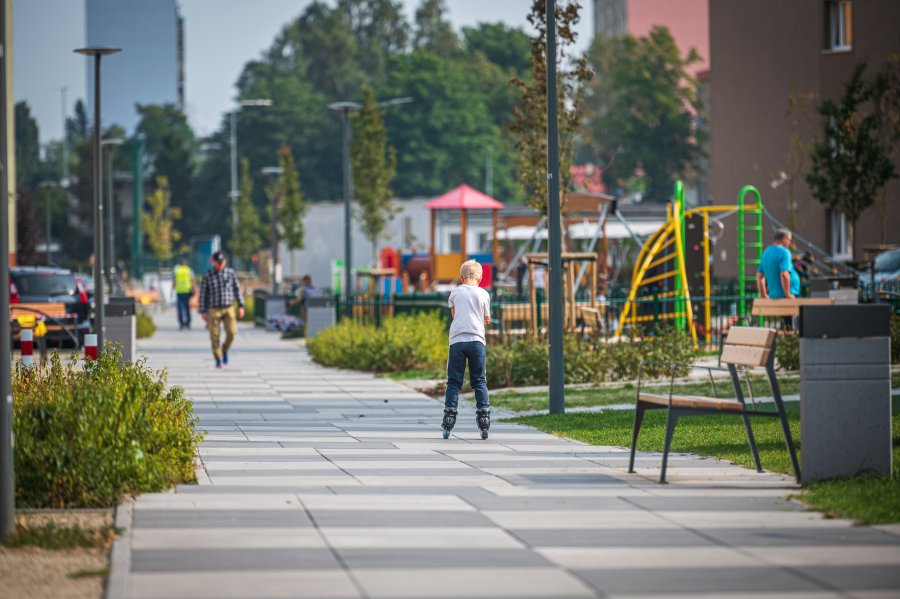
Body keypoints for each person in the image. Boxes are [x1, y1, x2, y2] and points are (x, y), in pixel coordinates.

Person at [441, 260, 492, 440]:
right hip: (477, 341)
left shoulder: (455, 293)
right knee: (479, 380)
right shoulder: (484, 294)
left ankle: (449, 415)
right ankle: (484, 416)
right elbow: (486, 318)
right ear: (480, 278)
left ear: (462, 278)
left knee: (454, 381)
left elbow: (454, 314)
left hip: (457, 341)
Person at [199, 251, 245, 368]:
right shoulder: (208, 275)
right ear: (213, 262)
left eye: (222, 262)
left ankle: (224, 349)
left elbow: (236, 289)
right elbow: (203, 293)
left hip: (228, 307)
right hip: (214, 309)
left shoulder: (230, 273)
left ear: (225, 261)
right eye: (218, 262)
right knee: (214, 335)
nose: (220, 265)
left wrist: (241, 305)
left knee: (232, 332)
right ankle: (218, 359)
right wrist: (203, 311)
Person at [756, 228, 801, 328]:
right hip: (787, 297)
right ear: (784, 238)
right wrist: (788, 294)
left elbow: (759, 276)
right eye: (789, 239)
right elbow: (784, 274)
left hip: (774, 296)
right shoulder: (784, 252)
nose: (789, 242)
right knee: (794, 327)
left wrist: (764, 295)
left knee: (787, 325)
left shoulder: (766, 252)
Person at [173, 257, 196, 330]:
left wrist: (172, 289)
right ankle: (188, 323)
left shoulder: (176, 270)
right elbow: (192, 280)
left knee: (180, 308)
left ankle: (181, 323)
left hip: (179, 291)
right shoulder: (189, 270)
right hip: (187, 291)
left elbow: (174, 280)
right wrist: (194, 288)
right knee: (187, 308)